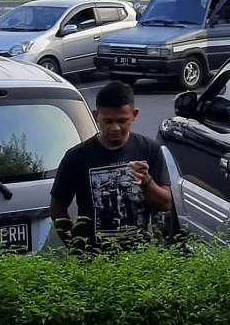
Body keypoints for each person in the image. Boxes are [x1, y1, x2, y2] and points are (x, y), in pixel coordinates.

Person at [50, 81, 173, 247]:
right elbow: (58, 208)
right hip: (95, 259)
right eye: (108, 121)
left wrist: (147, 182)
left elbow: (166, 204)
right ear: (96, 116)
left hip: (141, 257)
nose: (115, 128)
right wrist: (75, 247)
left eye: (122, 121)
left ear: (135, 115)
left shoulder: (149, 149)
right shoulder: (76, 157)